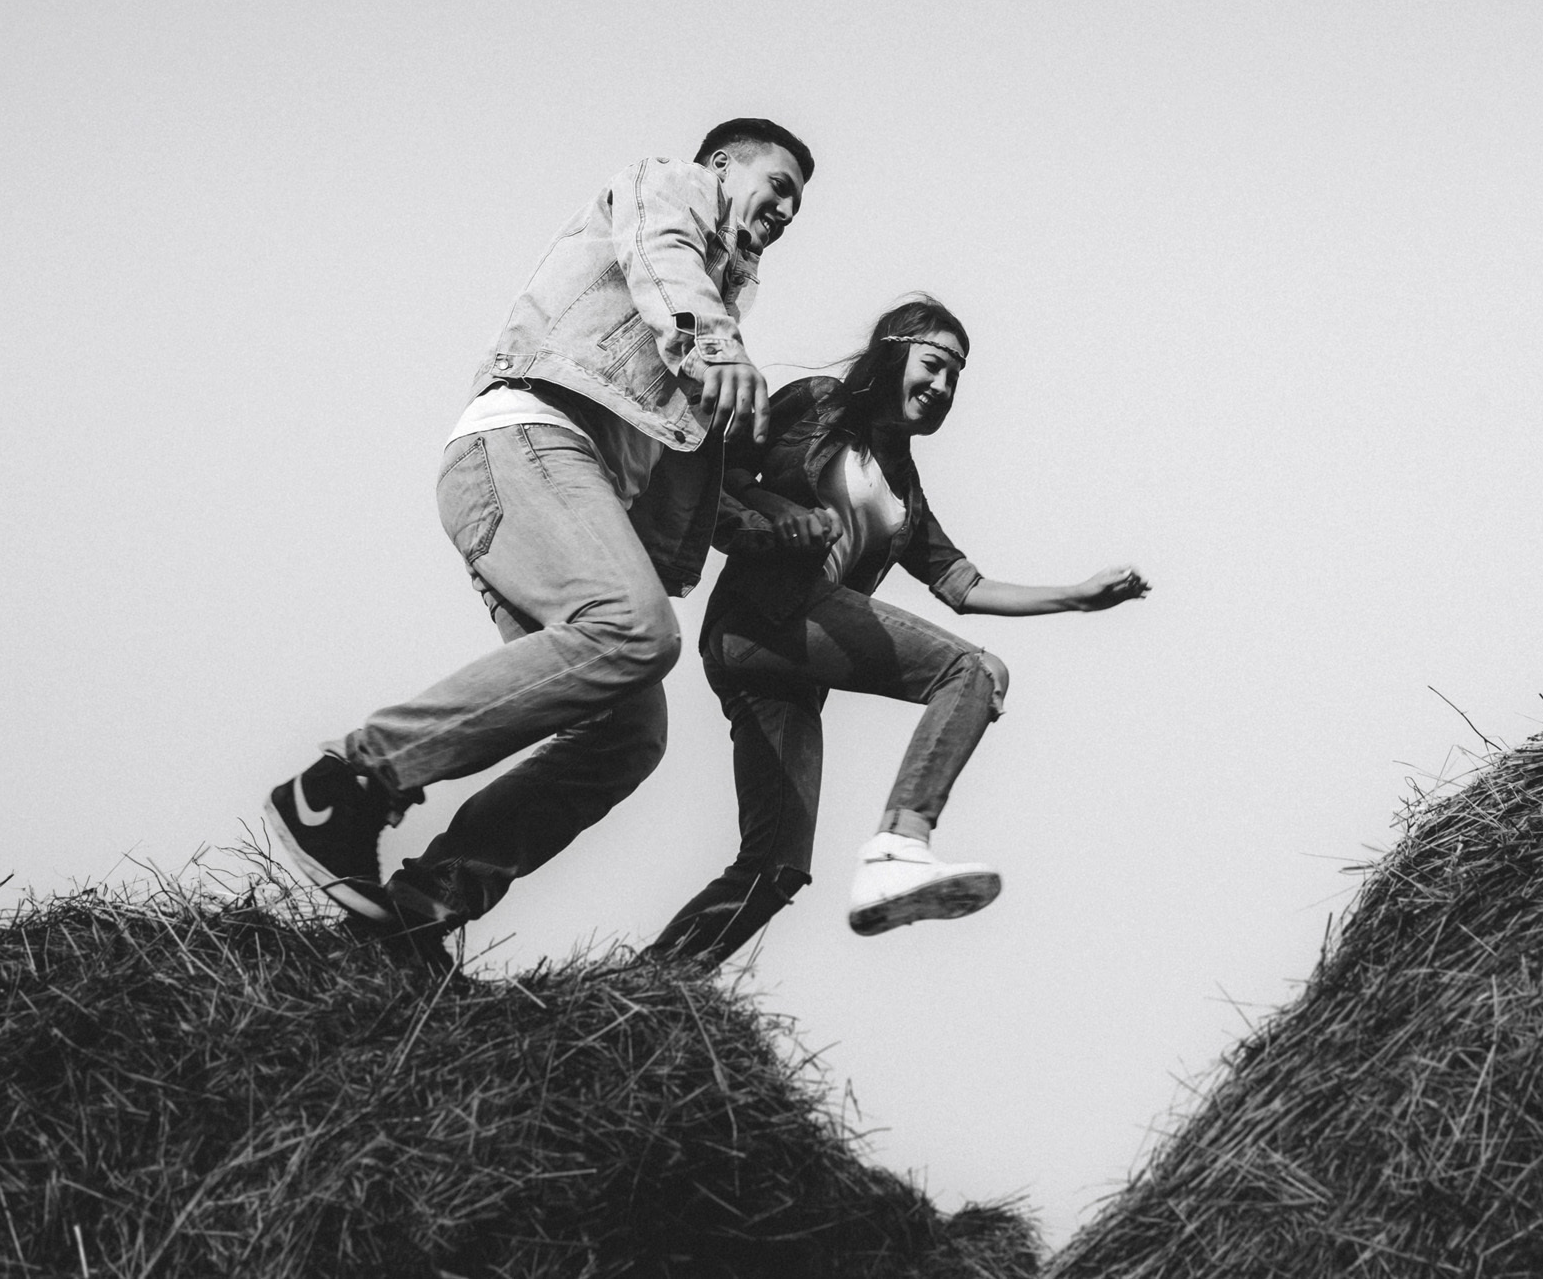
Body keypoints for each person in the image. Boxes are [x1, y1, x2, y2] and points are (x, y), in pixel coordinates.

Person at [263, 119, 815, 966]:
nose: (786, 210)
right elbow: (662, 248)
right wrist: (714, 340)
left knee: (627, 736)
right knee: (636, 630)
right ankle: (349, 783)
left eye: (798, 206)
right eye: (777, 185)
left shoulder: (711, 303)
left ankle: (419, 909)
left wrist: (767, 527)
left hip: (549, 490)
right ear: (720, 167)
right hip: (523, 443)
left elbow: (674, 479)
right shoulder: (668, 190)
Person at [650, 296, 1150, 964]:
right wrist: (774, 507)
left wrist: (1079, 597)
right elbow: (729, 473)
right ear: (892, 354)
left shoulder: (905, 488)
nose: (942, 387)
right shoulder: (820, 404)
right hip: (765, 612)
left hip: (790, 666)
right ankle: (900, 844)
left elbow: (964, 587)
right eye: (934, 364)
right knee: (973, 672)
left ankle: (649, 985)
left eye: (956, 377)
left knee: (776, 868)